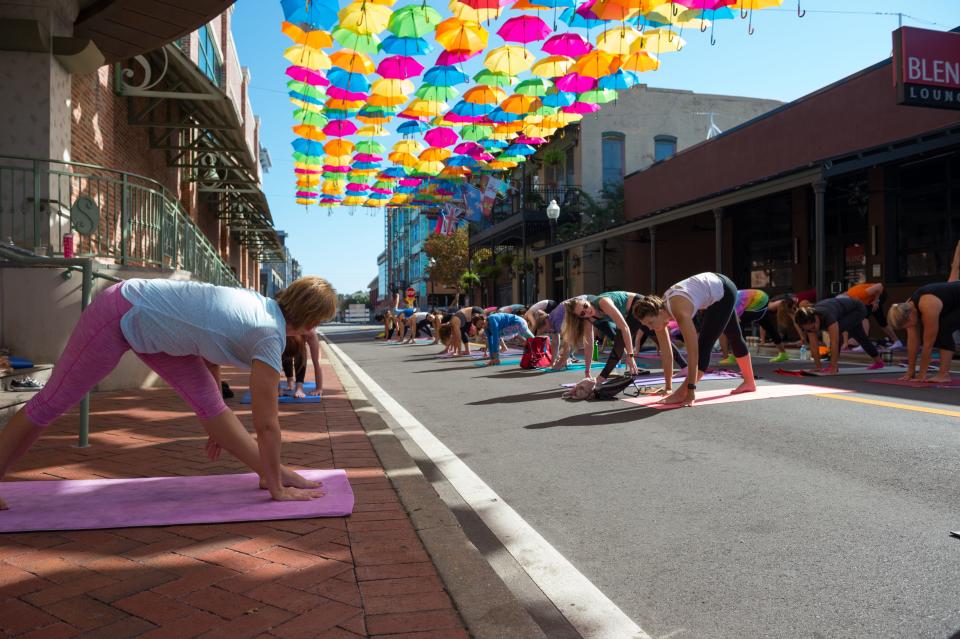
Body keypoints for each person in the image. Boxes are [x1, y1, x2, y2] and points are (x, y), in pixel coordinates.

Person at [0, 276, 338, 510]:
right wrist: (280, 494)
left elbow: (207, 336)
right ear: (311, 322)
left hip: (154, 329)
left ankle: (270, 472)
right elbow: (267, 424)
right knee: (51, 402)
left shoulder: (260, 306)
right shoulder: (268, 335)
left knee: (211, 405)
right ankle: (275, 479)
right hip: (119, 313)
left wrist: (215, 418)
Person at [633, 273, 757, 406]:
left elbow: (694, 354)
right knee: (734, 334)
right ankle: (749, 382)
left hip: (723, 290)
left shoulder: (680, 311)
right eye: (647, 325)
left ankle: (682, 392)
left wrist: (690, 390)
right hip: (712, 289)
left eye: (650, 323)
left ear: (660, 312)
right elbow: (667, 353)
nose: (650, 328)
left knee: (704, 345)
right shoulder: (660, 314)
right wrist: (668, 387)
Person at [888, 281, 960, 383]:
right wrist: (911, 371)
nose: (909, 328)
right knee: (943, 327)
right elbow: (913, 341)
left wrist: (922, 374)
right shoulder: (906, 308)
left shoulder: (928, 305)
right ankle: (943, 373)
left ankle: (944, 374)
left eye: (908, 325)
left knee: (944, 329)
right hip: (953, 302)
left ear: (910, 315)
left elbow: (928, 345)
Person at [562, 293, 642, 379]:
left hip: (638, 304)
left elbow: (624, 328)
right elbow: (589, 344)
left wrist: (630, 355)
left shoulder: (603, 303)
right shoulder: (588, 319)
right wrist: (587, 372)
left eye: (585, 306)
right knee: (620, 340)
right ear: (580, 317)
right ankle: (603, 377)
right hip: (628, 312)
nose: (587, 311)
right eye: (582, 313)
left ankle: (602, 378)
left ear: (586, 301)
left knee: (620, 340)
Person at [794, 297, 885, 374]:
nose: (812, 331)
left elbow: (835, 341)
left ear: (815, 318)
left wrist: (833, 367)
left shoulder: (827, 315)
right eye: (809, 330)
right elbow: (813, 345)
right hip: (844, 312)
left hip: (857, 309)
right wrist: (818, 367)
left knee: (839, 331)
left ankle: (833, 365)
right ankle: (879, 361)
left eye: (813, 327)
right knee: (860, 336)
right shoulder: (808, 320)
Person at [717, 289, 790, 365]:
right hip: (762, 299)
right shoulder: (729, 298)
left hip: (758, 302)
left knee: (731, 329)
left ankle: (734, 356)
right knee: (769, 327)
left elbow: (735, 322)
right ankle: (783, 353)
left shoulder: (730, 304)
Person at [840, 282, 902, 351]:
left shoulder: (858, 294)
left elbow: (879, 286)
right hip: (872, 298)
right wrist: (845, 342)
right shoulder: (850, 300)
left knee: (864, 317)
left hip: (880, 293)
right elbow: (845, 324)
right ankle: (897, 341)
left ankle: (864, 345)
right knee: (881, 321)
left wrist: (876, 301)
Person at [281, 333, 323, 398]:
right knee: (283, 354)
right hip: (284, 335)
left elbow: (317, 363)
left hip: (303, 332)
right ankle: (290, 382)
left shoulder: (310, 334)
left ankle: (299, 387)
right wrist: (277, 388)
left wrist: (319, 388)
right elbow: (273, 363)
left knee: (300, 355)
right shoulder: (278, 333)